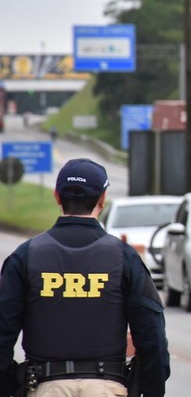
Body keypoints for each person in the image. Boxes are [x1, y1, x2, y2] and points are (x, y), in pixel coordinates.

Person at [0, 158, 170, 397]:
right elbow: (152, 334)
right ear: (102, 199)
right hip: (106, 387)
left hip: (44, 387)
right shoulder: (124, 257)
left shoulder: (25, 256)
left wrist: (8, 386)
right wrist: (153, 389)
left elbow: (2, 332)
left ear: (57, 197)